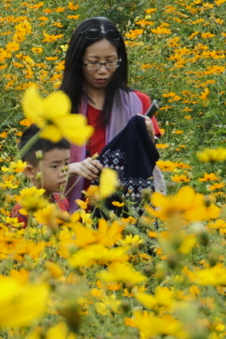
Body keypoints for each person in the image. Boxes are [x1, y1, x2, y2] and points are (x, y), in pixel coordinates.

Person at [57, 17, 164, 208]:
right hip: (68, 216)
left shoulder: (139, 102)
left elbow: (146, 164)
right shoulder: (57, 106)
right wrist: (73, 168)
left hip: (122, 216)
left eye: (110, 62)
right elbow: (35, 167)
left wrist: (147, 138)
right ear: (78, 62)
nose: (103, 71)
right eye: (93, 63)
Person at [11, 127, 99, 225]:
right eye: (55, 166)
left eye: (66, 164)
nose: (64, 172)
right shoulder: (22, 211)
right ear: (30, 171)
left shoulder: (61, 200)